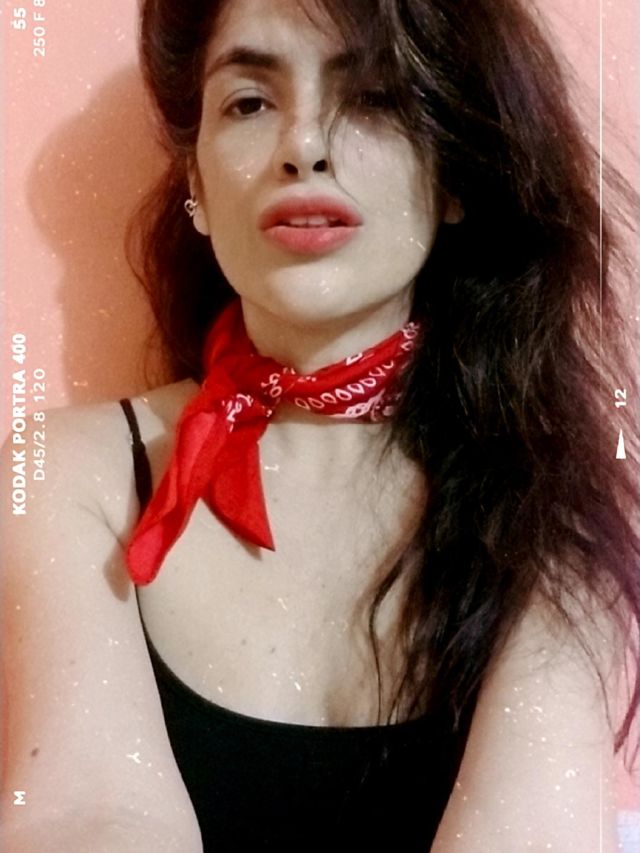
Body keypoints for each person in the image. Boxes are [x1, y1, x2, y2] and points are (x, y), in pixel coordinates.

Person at [2, 0, 639, 850]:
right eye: (249, 102)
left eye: (374, 97)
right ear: (195, 183)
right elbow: (85, 817)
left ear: (453, 174)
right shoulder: (61, 475)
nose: (304, 144)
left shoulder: (551, 521)